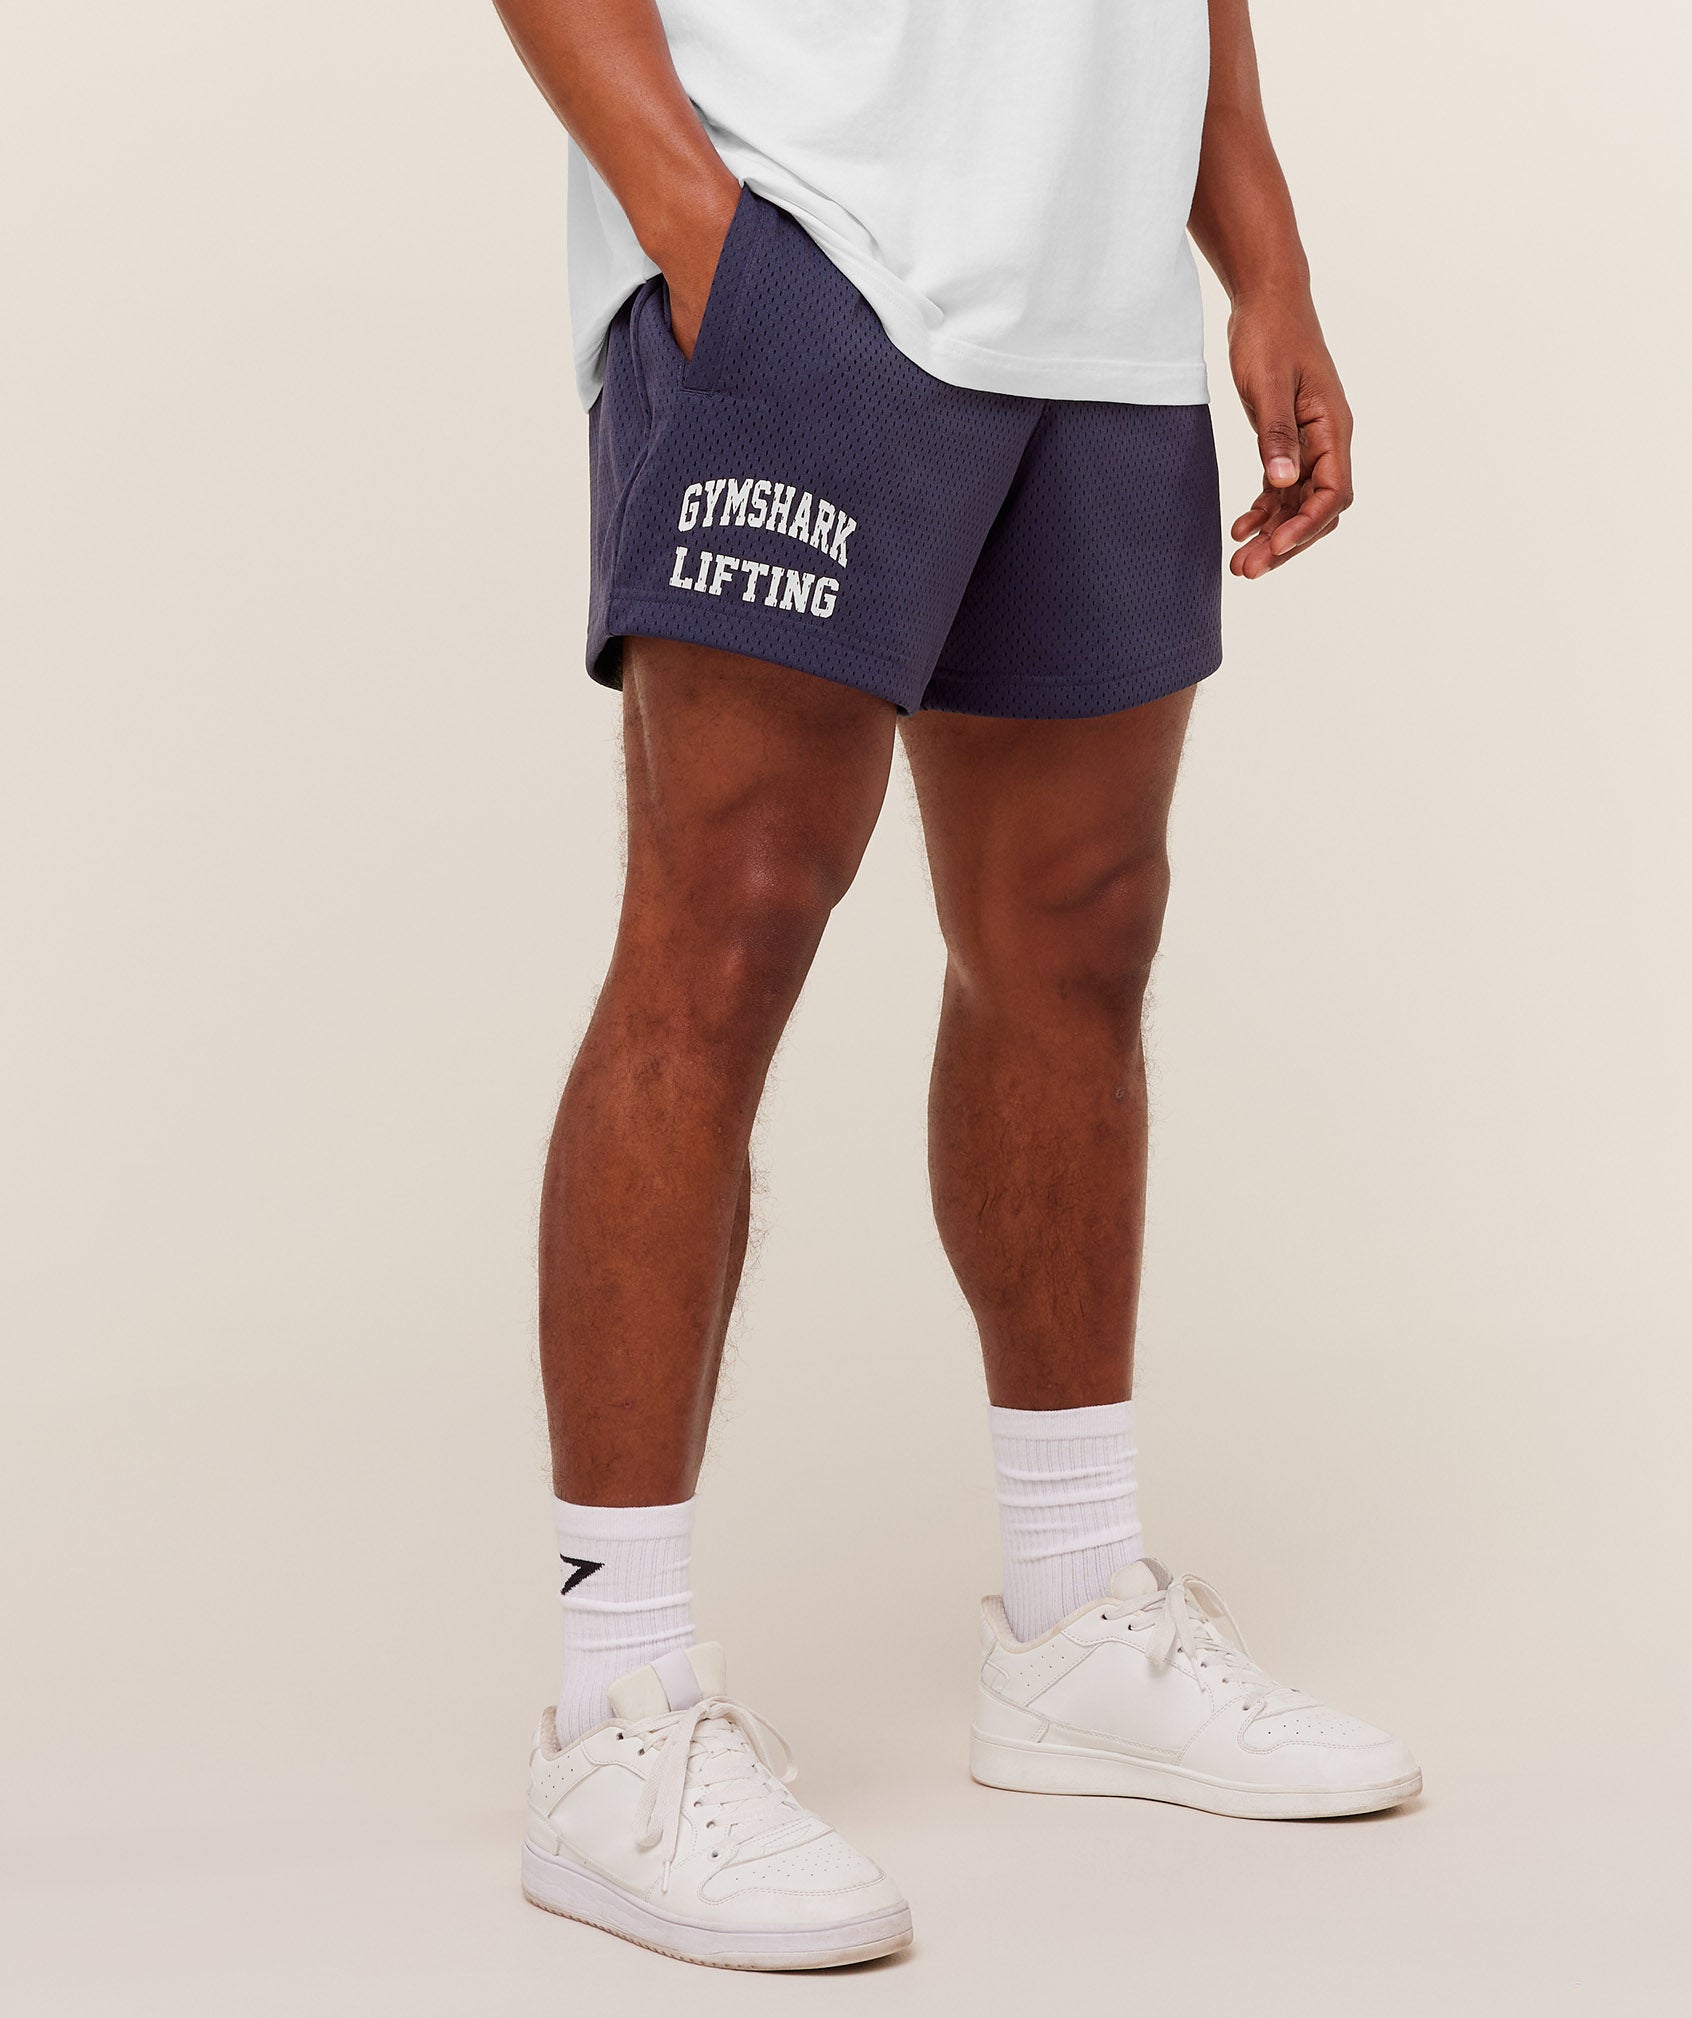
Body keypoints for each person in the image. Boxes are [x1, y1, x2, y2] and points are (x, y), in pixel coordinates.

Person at [494, 0, 1418, 1971]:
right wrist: (699, 229)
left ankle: (1075, 1620)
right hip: (803, 237)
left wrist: (1263, 256)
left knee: (1080, 926)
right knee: (727, 922)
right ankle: (615, 1709)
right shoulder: (761, 251)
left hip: (1094, 287)